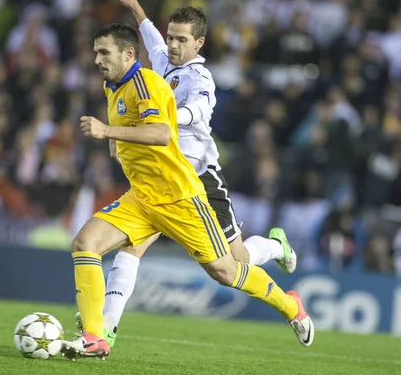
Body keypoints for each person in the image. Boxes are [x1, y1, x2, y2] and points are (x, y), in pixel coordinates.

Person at [61, 22, 313, 360]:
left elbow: (162, 134)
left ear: (128, 53)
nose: (96, 59)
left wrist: (107, 131)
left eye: (103, 52)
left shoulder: (145, 83)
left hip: (180, 197)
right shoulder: (114, 87)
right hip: (142, 197)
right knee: (85, 243)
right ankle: (96, 337)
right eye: (95, 52)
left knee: (227, 270)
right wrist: (116, 140)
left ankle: (289, 304)